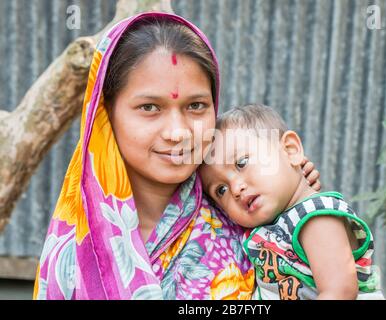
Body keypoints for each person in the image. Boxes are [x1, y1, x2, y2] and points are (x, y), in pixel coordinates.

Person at [33, 13, 320, 300]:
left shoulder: (248, 215)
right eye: (149, 107)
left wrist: (296, 193)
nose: (177, 132)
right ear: (105, 115)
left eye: (196, 105)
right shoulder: (73, 251)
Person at [199, 104, 384, 300]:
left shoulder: (316, 217)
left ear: (290, 150)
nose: (235, 189)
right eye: (221, 190)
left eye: (241, 163)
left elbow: (340, 292)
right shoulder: (266, 229)